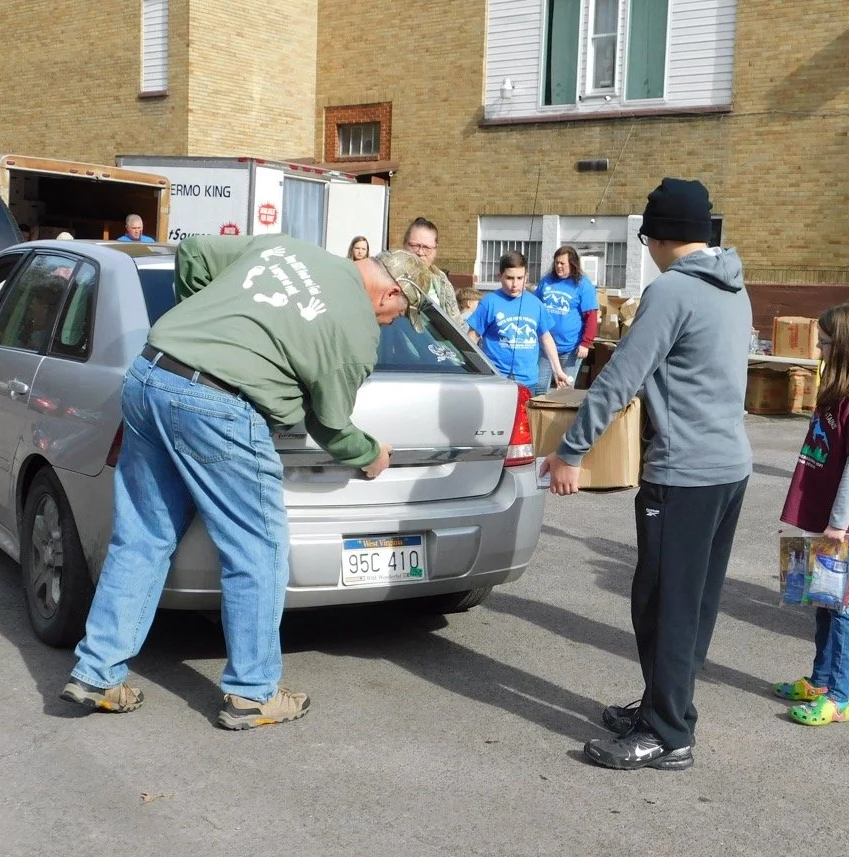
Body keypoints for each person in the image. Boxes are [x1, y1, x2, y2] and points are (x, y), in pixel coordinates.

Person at [60, 237, 432, 729]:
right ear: (389, 296)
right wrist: (369, 453)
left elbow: (192, 253)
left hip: (150, 372)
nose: (393, 324)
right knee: (257, 550)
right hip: (218, 405)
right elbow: (330, 425)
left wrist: (203, 327)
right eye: (401, 315)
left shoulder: (293, 249)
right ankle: (253, 694)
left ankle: (96, 674)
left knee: (143, 536)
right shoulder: (357, 331)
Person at [541, 178, 751, 771]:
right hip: (728, 468)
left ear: (655, 237)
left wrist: (572, 452)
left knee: (662, 602)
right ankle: (667, 705)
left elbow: (620, 377)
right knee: (694, 601)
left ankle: (667, 732)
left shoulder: (671, 292)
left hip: (683, 472)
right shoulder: (733, 285)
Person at [772, 301, 849, 726]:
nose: (819, 350)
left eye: (824, 343)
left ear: (847, 346)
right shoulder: (838, 389)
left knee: (844, 611)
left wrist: (838, 524)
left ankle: (839, 696)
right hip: (826, 519)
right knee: (823, 600)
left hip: (845, 525)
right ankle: (821, 681)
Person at [466, 251, 569, 393]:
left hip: (528, 381)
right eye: (509, 278)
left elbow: (546, 338)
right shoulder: (489, 302)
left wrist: (557, 370)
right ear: (500, 276)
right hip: (496, 379)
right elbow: (472, 337)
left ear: (526, 277)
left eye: (519, 278)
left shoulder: (536, 304)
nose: (515, 284)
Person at [535, 245, 600, 391]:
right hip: (545, 345)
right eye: (556, 262)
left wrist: (586, 343)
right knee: (539, 386)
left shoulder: (583, 284)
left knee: (564, 389)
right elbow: (535, 306)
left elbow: (591, 316)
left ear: (572, 264)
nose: (558, 266)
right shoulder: (547, 281)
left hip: (570, 349)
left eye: (562, 263)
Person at [403, 217, 462, 325]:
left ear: (435, 249)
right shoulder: (390, 276)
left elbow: (456, 323)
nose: (420, 252)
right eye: (415, 245)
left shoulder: (441, 280)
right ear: (405, 244)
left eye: (426, 247)